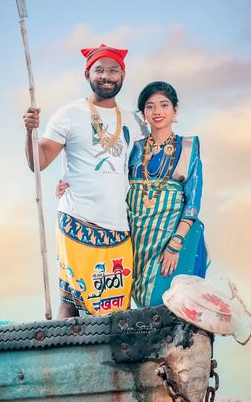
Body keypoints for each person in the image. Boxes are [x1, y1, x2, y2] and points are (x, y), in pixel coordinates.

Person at [58, 81, 208, 308]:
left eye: (164, 105)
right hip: (136, 239)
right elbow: (106, 173)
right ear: (144, 114)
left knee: (168, 304)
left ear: (175, 110)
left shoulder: (188, 147)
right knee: (134, 303)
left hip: (170, 239)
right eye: (150, 106)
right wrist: (70, 184)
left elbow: (192, 202)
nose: (157, 111)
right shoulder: (134, 148)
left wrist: (175, 244)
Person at [23, 44, 146, 318]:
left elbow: (146, 169)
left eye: (113, 70)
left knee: (119, 302)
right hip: (77, 219)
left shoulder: (135, 121)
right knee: (71, 297)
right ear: (87, 74)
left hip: (119, 224)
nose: (106, 76)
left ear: (122, 75)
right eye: (99, 70)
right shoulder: (69, 114)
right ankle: (62, 358)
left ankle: (115, 361)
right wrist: (30, 132)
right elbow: (38, 162)